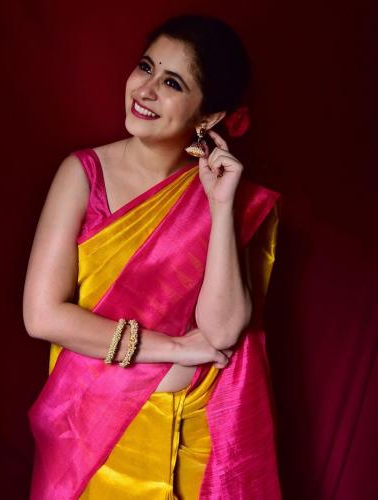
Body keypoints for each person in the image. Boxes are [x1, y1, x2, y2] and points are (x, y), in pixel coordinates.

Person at [23, 14, 282, 500]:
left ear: (208, 118)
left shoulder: (216, 191)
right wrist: (176, 348)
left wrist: (220, 206)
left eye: (172, 82)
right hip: (94, 441)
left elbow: (224, 331)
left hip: (195, 439)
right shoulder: (83, 175)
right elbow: (42, 316)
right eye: (146, 67)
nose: (144, 90)